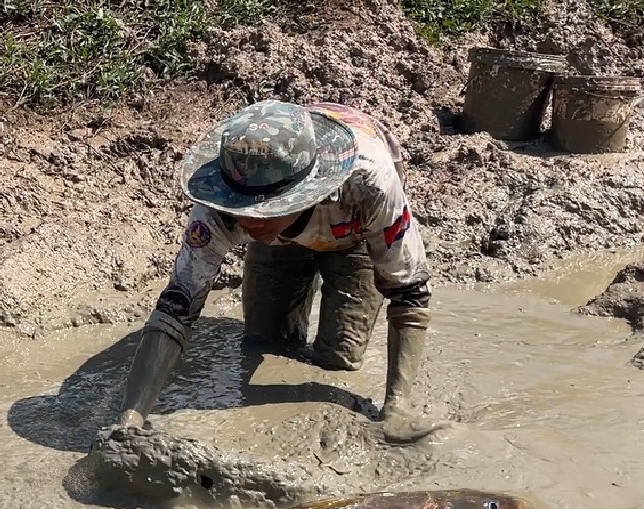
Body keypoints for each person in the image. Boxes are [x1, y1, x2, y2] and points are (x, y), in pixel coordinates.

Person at [117, 99, 432, 433]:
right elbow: (177, 305)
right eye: (241, 208)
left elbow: (409, 290)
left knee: (340, 358)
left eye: (267, 208)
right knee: (265, 340)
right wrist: (131, 417)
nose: (250, 219)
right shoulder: (218, 203)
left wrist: (397, 409)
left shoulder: (370, 183)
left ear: (306, 190)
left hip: (352, 232)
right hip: (281, 240)